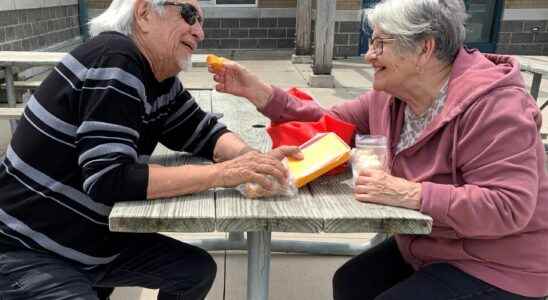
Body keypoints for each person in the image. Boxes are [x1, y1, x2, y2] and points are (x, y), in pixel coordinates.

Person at [209, 0, 548, 299]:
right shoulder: (390, 97)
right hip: (431, 245)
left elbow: (508, 206)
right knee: (352, 282)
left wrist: (410, 193)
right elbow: (328, 123)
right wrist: (263, 94)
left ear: (424, 49)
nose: (367, 55)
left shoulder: (495, 106)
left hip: (498, 264)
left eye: (380, 43)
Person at [0, 0, 301, 299]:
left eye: (201, 21)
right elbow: (109, 179)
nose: (199, 31)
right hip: (26, 250)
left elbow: (203, 132)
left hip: (91, 246)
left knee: (193, 272)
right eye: (189, 15)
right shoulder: (115, 59)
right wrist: (222, 174)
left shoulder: (157, 77)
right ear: (144, 13)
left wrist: (253, 160)